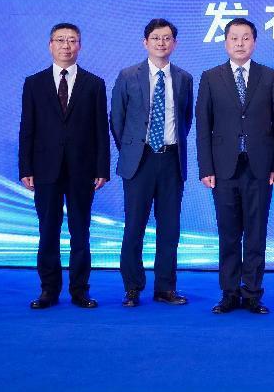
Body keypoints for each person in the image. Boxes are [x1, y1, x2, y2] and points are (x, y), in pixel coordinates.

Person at [196, 17, 274, 315]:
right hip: (223, 169)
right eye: (234, 38)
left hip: (260, 168)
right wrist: (205, 167)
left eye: (245, 38)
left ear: (254, 42)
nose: (240, 43)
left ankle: (252, 293)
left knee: (256, 233)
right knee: (228, 234)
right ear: (226, 42)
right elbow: (203, 126)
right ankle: (229, 292)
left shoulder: (270, 76)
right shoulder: (210, 77)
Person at [19, 22, 110, 309]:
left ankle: (80, 290)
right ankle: (48, 290)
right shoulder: (34, 83)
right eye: (60, 40)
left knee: (80, 231)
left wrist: (102, 168)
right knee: (48, 230)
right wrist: (25, 168)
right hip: (45, 169)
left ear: (79, 46)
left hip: (82, 170)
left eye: (72, 40)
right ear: (50, 45)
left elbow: (101, 129)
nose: (66, 45)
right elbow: (27, 129)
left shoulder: (94, 83)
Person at [110, 18, 193, 307]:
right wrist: (133, 150)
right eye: (156, 38)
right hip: (139, 161)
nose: (161, 43)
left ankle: (165, 288)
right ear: (145, 42)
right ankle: (132, 288)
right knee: (134, 226)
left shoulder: (184, 78)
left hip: (171, 160)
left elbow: (185, 120)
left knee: (170, 228)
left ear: (174, 44)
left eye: (167, 38)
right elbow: (117, 120)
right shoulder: (127, 75)